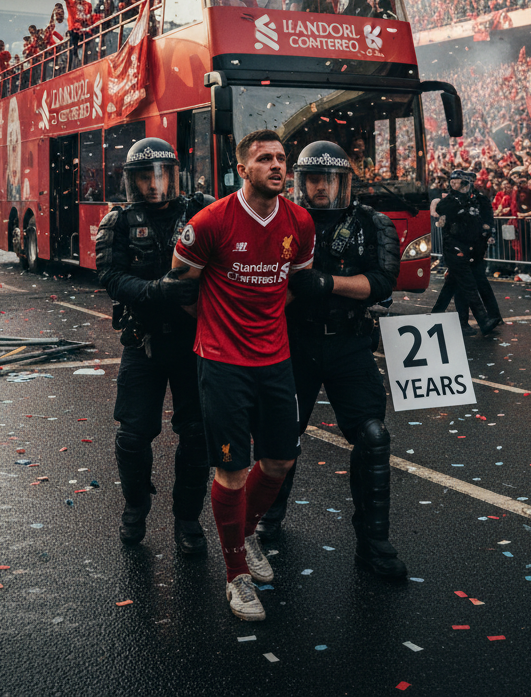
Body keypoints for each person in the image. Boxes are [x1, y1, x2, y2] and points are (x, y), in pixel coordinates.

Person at [172, 129, 315, 622]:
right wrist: (219, 324)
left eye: (282, 158)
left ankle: (247, 534)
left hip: (275, 359)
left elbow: (293, 283)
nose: (277, 166)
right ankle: (235, 576)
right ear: (242, 169)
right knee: (232, 470)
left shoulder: (300, 221)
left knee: (279, 462)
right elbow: (181, 287)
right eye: (265, 159)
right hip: (223, 361)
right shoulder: (211, 221)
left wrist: (263, 318)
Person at [257, 141, 406, 578]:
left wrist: (327, 283)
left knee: (373, 436)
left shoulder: (371, 223)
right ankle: (268, 517)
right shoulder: (276, 218)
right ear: (301, 182)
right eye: (314, 179)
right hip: (292, 343)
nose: (321, 187)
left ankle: (374, 544)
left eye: (329, 179)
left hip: (349, 342)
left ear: (344, 181)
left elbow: (383, 281)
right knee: (279, 433)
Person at [95, 139, 209, 555]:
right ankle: (135, 508)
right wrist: (156, 291)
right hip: (143, 339)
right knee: (132, 435)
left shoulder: (201, 212)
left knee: (197, 435)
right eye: (145, 176)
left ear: (176, 176)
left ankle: (188, 520)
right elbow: (110, 277)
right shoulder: (119, 221)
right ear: (133, 180)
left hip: (194, 341)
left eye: (162, 174)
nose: (154, 183)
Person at [436, 169, 500, 335]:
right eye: (453, 182)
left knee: (453, 286)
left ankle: (440, 316)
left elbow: (483, 221)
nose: (455, 185)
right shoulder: (452, 200)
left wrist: (486, 235)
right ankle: (483, 321)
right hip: (455, 248)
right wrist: (458, 197)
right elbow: (441, 209)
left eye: (458, 182)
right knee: (468, 285)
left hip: (471, 249)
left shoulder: (476, 199)